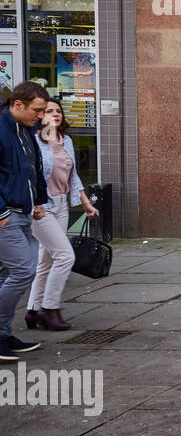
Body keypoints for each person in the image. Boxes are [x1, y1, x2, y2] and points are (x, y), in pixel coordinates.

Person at [25, 99, 99, 332]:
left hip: (62, 205)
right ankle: (50, 308)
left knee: (46, 260)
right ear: (40, 115)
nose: (55, 114)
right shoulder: (35, 142)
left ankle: (33, 311)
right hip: (41, 208)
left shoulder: (66, 140)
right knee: (65, 256)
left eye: (58, 111)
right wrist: (34, 204)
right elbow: (32, 174)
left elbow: (73, 175)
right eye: (49, 111)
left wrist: (86, 203)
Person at [0, 81, 50, 363]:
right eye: (37, 110)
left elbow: (33, 170)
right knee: (22, 271)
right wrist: (2, 213)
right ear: (18, 104)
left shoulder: (25, 130)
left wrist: (38, 201)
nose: (40, 117)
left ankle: (4, 334)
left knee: (9, 275)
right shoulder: (2, 130)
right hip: (6, 215)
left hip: (23, 212)